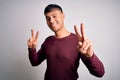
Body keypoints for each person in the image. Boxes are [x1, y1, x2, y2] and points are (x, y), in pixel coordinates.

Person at [27, 4, 105, 80]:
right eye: (48, 18)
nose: (51, 21)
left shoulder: (77, 41)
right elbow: (35, 62)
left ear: (63, 16)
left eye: (54, 16)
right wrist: (32, 49)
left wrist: (90, 56)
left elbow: (100, 73)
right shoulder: (48, 41)